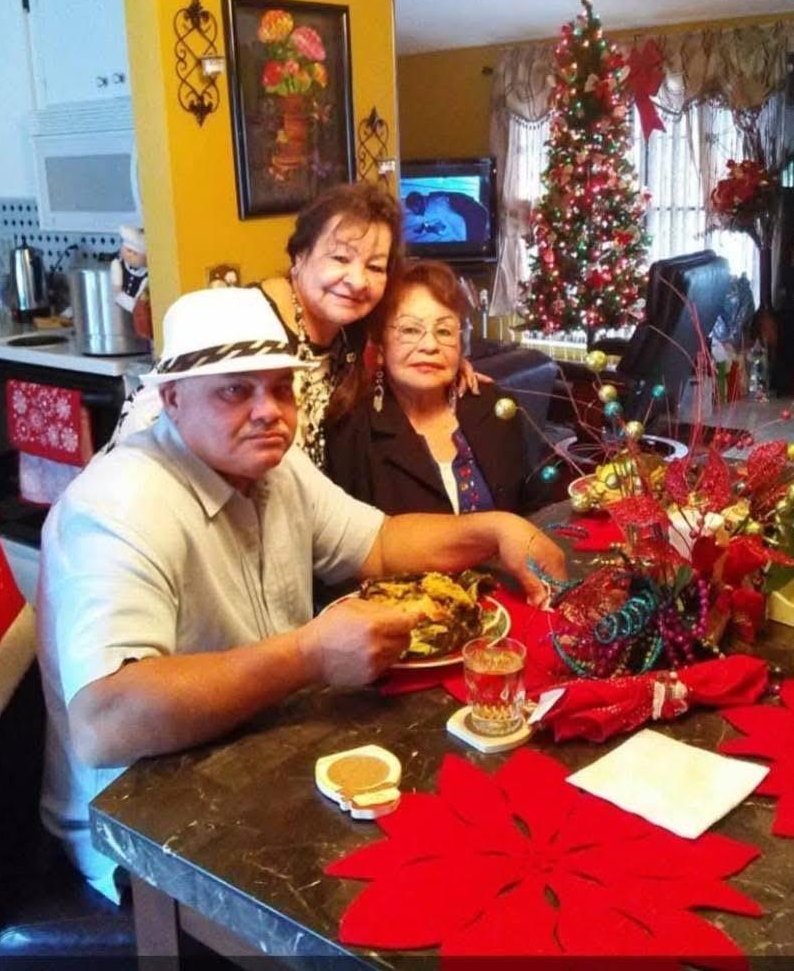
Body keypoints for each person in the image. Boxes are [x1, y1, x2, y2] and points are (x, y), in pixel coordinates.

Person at [36, 286, 566, 902]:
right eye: (236, 389)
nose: (269, 411)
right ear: (172, 400)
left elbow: (381, 542)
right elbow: (105, 723)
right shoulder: (117, 505)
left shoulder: (273, 468)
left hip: (249, 760)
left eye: (281, 388)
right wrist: (308, 656)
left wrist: (492, 528)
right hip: (143, 844)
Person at [104, 181, 485, 467]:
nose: (356, 280)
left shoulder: (351, 333)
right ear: (299, 256)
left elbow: (398, 352)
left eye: (374, 266)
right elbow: (157, 417)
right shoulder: (245, 323)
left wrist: (445, 368)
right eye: (339, 258)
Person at [325, 260, 553, 515]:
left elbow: (535, 507)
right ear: (379, 347)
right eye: (410, 329)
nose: (430, 345)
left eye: (444, 331)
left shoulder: (495, 406)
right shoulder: (353, 431)